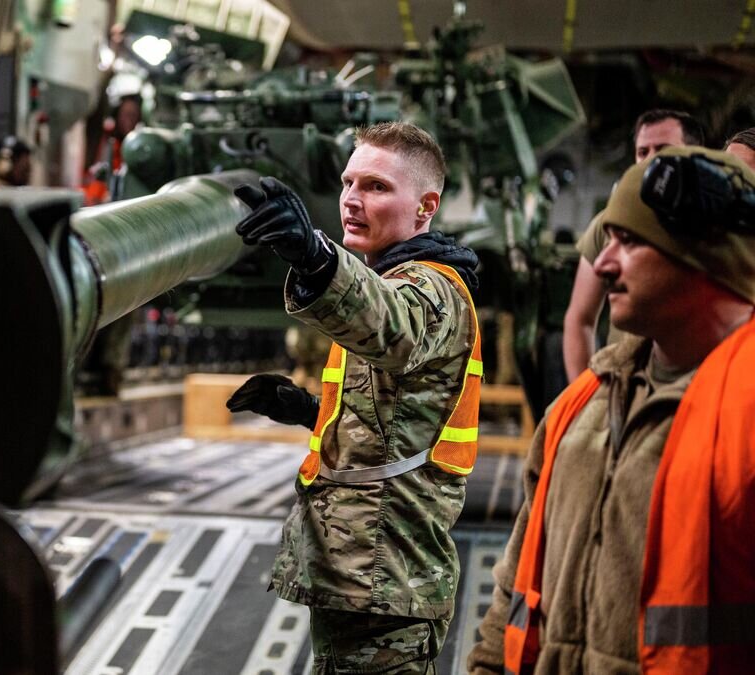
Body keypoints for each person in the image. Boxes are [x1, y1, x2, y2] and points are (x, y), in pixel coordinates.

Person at [468, 146, 755, 674]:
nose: (601, 263)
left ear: (701, 258)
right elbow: (514, 583)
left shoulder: (743, 419)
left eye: (629, 240)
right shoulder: (584, 406)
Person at [226, 122, 481, 673]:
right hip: (361, 574)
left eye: (377, 187)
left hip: (387, 576)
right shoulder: (387, 278)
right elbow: (396, 416)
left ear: (425, 207)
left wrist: (315, 256)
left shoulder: (434, 287)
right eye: (348, 183)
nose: (351, 200)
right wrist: (307, 410)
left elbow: (392, 325)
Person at [562, 110, 705, 381]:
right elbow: (579, 318)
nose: (649, 160)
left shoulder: (710, 226)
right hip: (624, 384)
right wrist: (584, 396)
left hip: (692, 383)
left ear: (696, 155)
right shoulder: (608, 223)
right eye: (642, 152)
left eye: (663, 150)